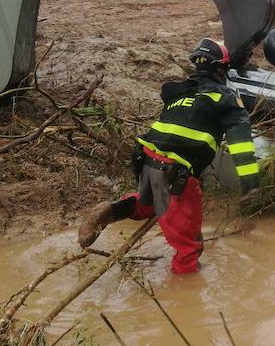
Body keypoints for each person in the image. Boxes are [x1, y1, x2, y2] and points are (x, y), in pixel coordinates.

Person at [77, 38, 261, 274]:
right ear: (222, 69)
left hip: (145, 159)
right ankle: (185, 297)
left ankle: (113, 210)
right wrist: (250, 185)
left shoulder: (179, 94)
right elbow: (241, 144)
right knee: (189, 249)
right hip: (176, 174)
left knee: (150, 204)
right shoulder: (225, 98)